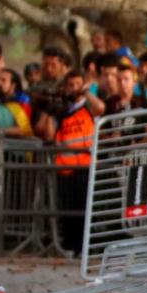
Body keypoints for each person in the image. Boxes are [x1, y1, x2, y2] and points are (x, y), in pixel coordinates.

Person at [36, 71, 104, 253]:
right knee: (67, 210)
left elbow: (100, 108)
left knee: (84, 210)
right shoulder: (62, 110)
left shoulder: (88, 107)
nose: (74, 88)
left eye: (77, 84)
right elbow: (47, 134)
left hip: (85, 167)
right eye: (70, 85)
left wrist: (87, 92)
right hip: (65, 168)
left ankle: (86, 247)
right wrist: (50, 111)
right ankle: (71, 246)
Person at [0, 69, 33, 138]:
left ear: (13, 85)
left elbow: (23, 131)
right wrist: (11, 131)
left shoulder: (23, 101)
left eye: (3, 80)